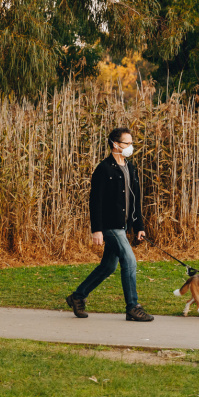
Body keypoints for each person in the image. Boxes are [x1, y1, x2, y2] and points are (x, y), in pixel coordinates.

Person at [66, 127, 154, 322]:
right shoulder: (104, 169)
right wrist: (96, 230)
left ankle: (77, 296)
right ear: (115, 144)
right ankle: (133, 307)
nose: (131, 147)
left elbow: (135, 200)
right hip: (110, 226)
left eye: (132, 143)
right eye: (127, 143)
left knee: (108, 267)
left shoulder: (131, 167)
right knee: (129, 261)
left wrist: (139, 226)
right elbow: (95, 201)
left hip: (123, 226)